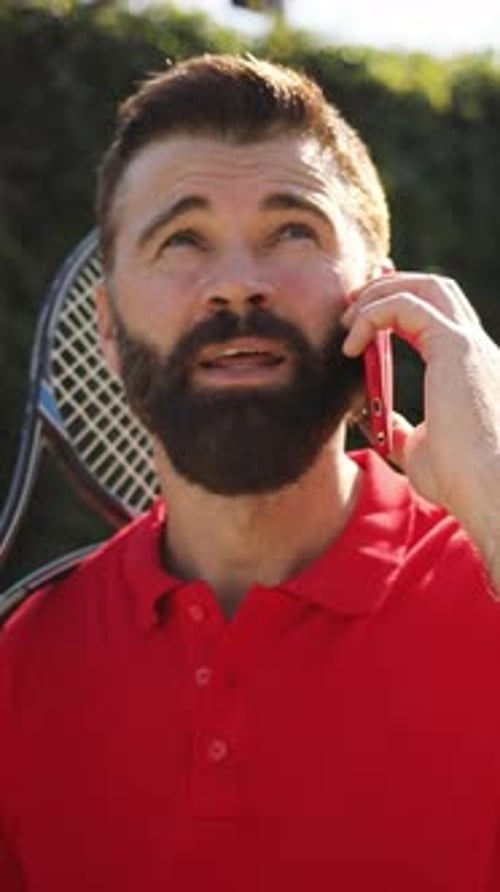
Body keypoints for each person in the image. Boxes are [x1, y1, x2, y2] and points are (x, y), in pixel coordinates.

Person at [1, 53, 500, 892]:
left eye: (293, 231)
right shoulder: (20, 668)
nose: (237, 284)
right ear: (110, 332)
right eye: (181, 239)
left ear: (382, 300)